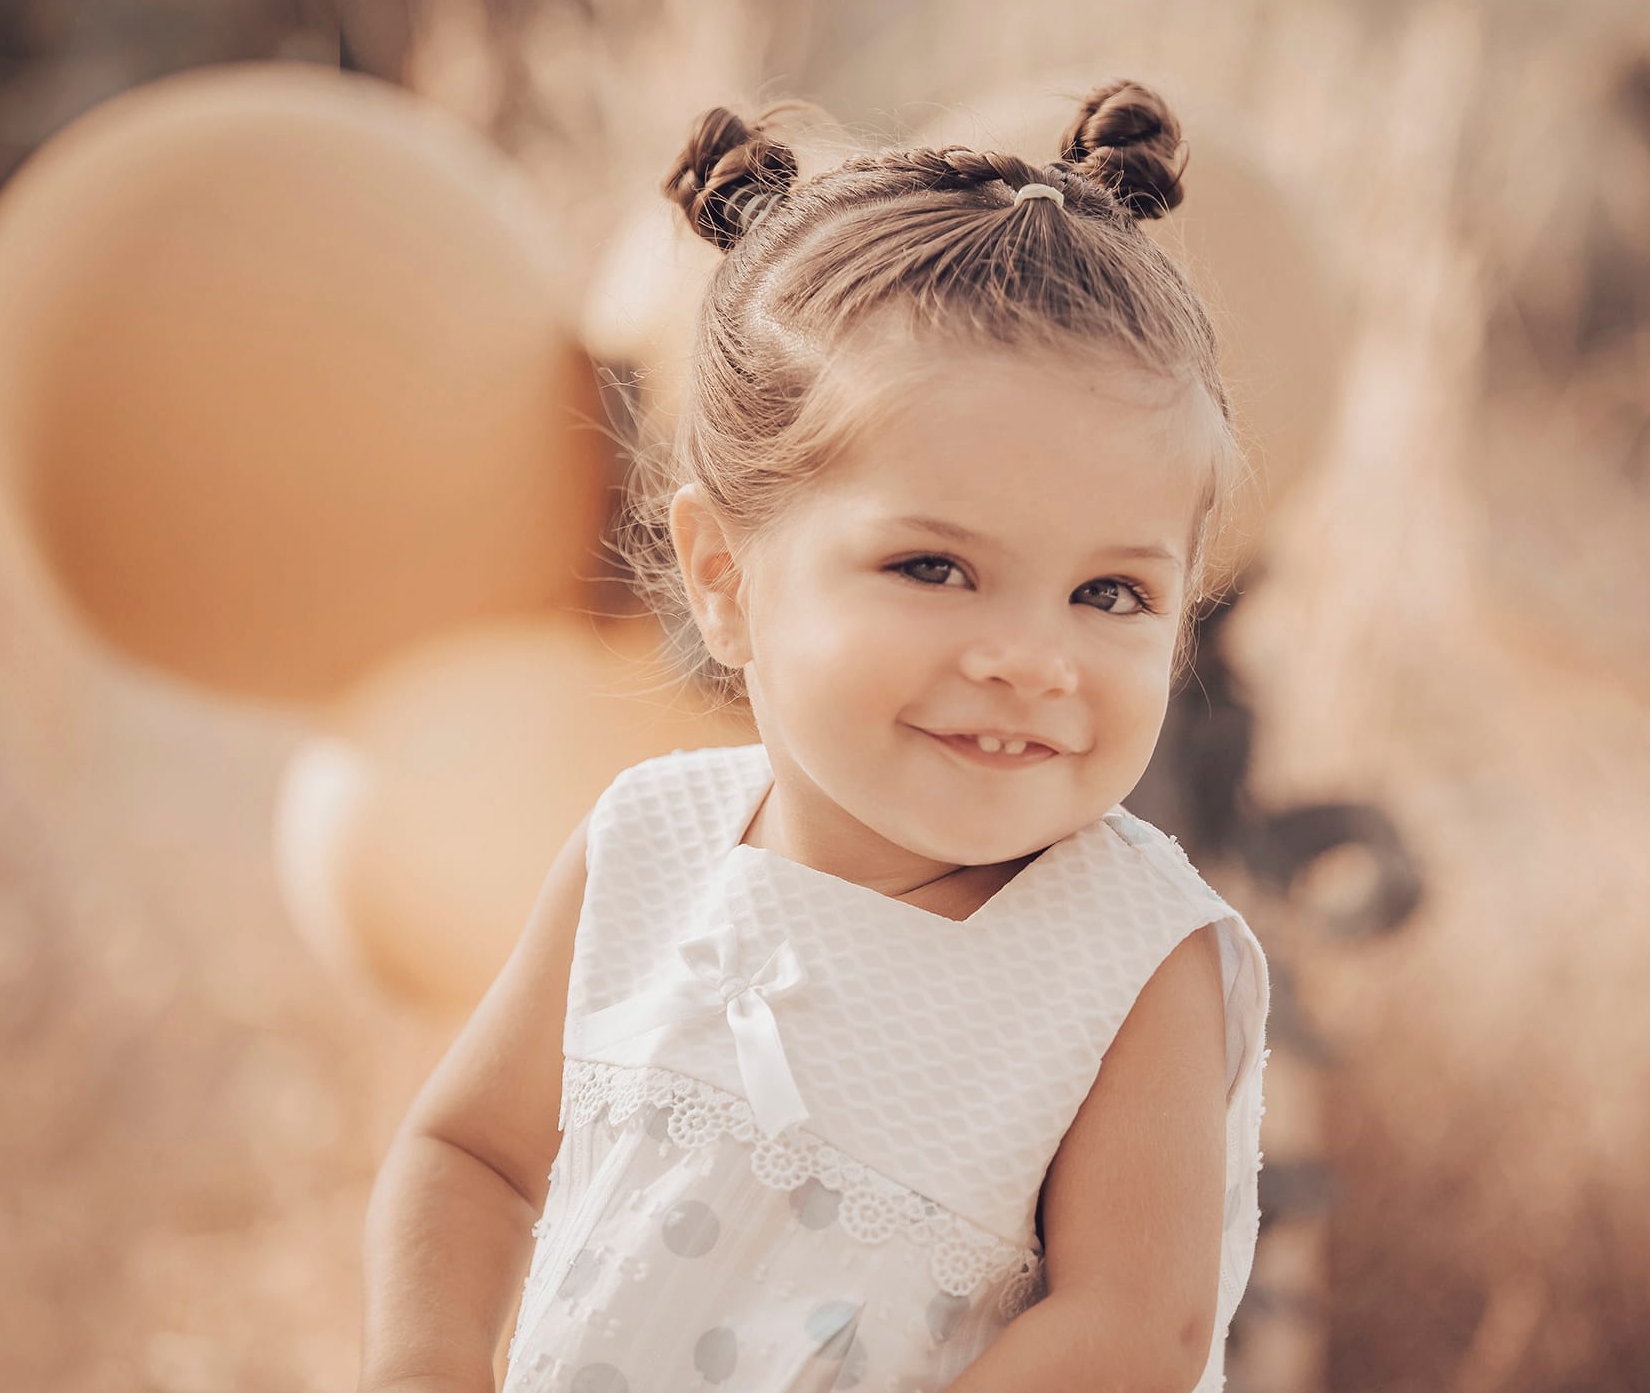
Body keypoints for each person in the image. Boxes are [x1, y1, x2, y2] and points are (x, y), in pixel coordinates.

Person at [358, 79, 1272, 1393]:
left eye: (1109, 594)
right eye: (934, 569)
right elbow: (473, 1155)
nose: (1028, 656)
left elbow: (1135, 1328)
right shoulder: (650, 847)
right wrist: (427, 1362)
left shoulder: (1128, 959)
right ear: (727, 580)